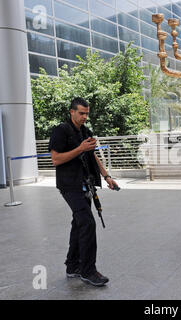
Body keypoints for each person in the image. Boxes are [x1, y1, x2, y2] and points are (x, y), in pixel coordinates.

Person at [49, 97, 119, 287]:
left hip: (85, 184)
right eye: (81, 113)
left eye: (86, 113)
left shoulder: (85, 131)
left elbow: (92, 155)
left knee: (79, 224)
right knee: (87, 223)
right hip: (69, 185)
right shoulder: (61, 130)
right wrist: (80, 148)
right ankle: (88, 271)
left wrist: (107, 177)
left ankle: (72, 266)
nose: (84, 117)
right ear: (71, 112)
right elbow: (55, 159)